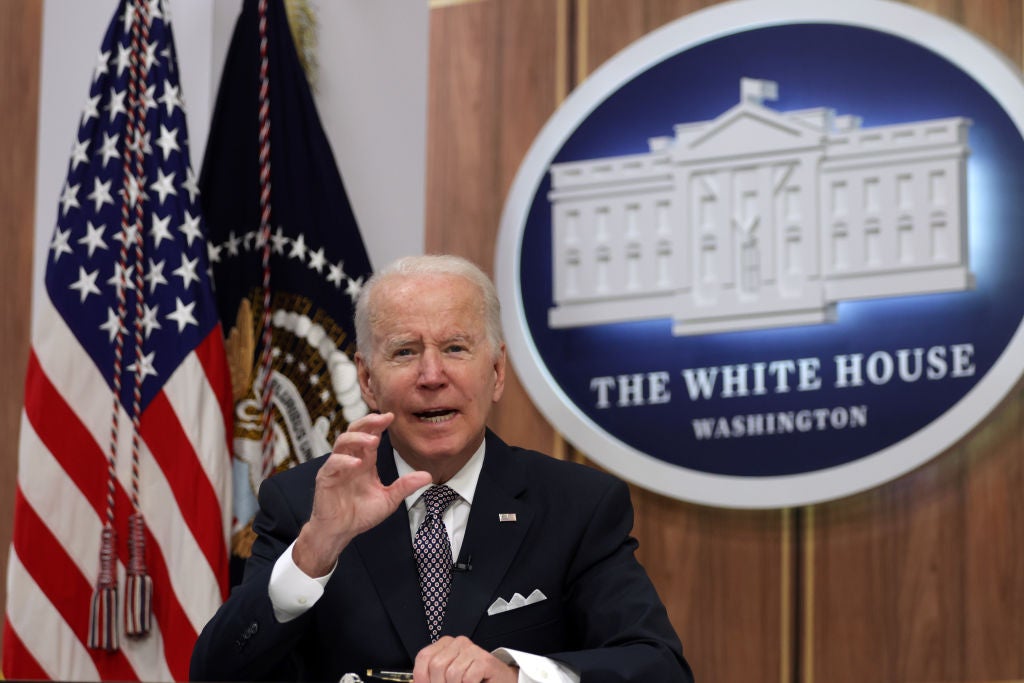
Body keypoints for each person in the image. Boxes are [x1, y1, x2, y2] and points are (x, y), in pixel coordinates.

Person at [190, 254, 694, 683]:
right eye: (405, 352)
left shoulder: (575, 504)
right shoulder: (303, 503)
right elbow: (213, 673)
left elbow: (658, 666)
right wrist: (314, 554)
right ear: (366, 379)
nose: (432, 376)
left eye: (455, 348)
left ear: (496, 371)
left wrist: (515, 674)